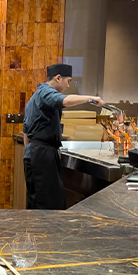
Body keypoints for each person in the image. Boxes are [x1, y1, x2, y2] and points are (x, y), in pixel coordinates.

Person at [23, 63, 105, 210]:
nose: (68, 86)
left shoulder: (36, 96)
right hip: (41, 155)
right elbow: (65, 101)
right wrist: (91, 99)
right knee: (46, 206)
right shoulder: (45, 92)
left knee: (38, 203)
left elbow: (25, 131)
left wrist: (31, 152)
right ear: (58, 78)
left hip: (36, 154)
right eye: (68, 81)